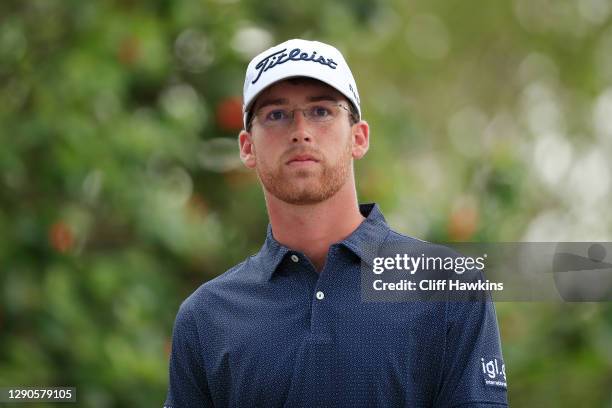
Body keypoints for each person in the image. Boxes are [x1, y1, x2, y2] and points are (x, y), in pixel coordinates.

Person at [164, 39, 508, 407]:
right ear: (247, 147)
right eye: (276, 115)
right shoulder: (205, 317)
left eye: (321, 111)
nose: (301, 131)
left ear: (359, 138)